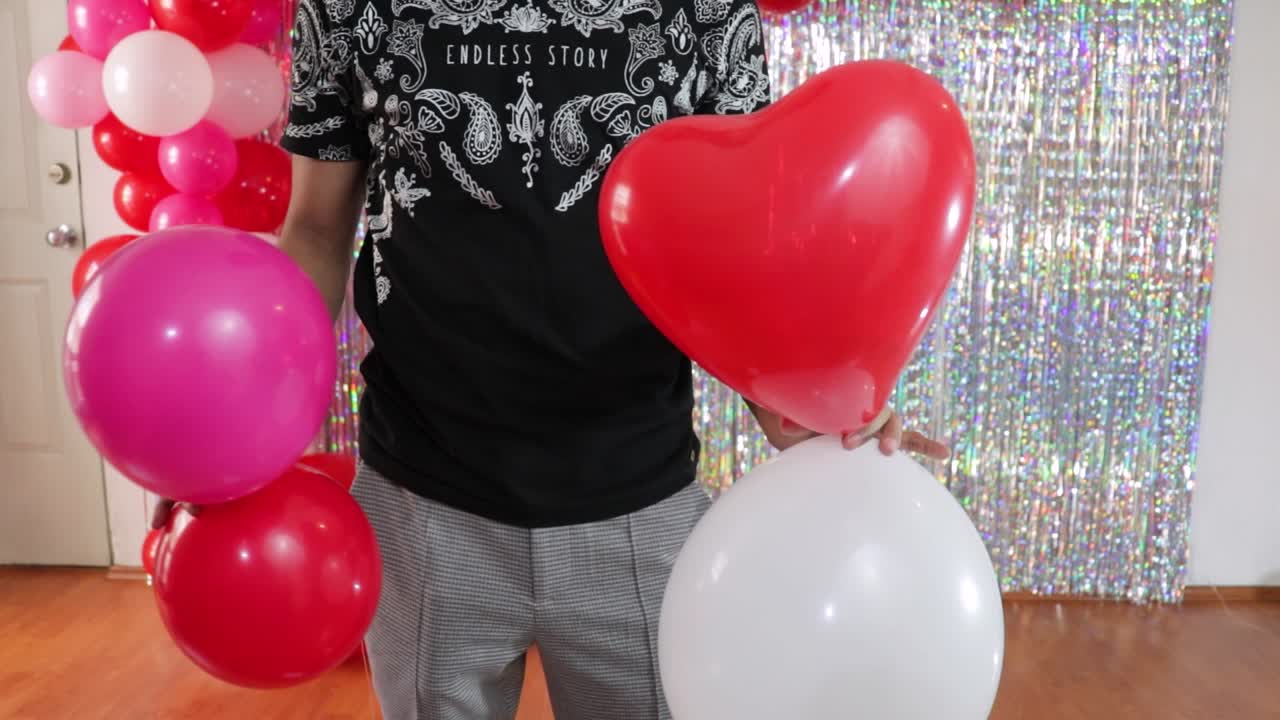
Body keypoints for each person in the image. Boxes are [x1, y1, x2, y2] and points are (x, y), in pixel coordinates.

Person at [157, 0, 949, 717]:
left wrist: (799, 398)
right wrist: (238, 434)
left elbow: (740, 240)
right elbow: (318, 230)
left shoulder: (708, 11)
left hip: (638, 503)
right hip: (425, 504)